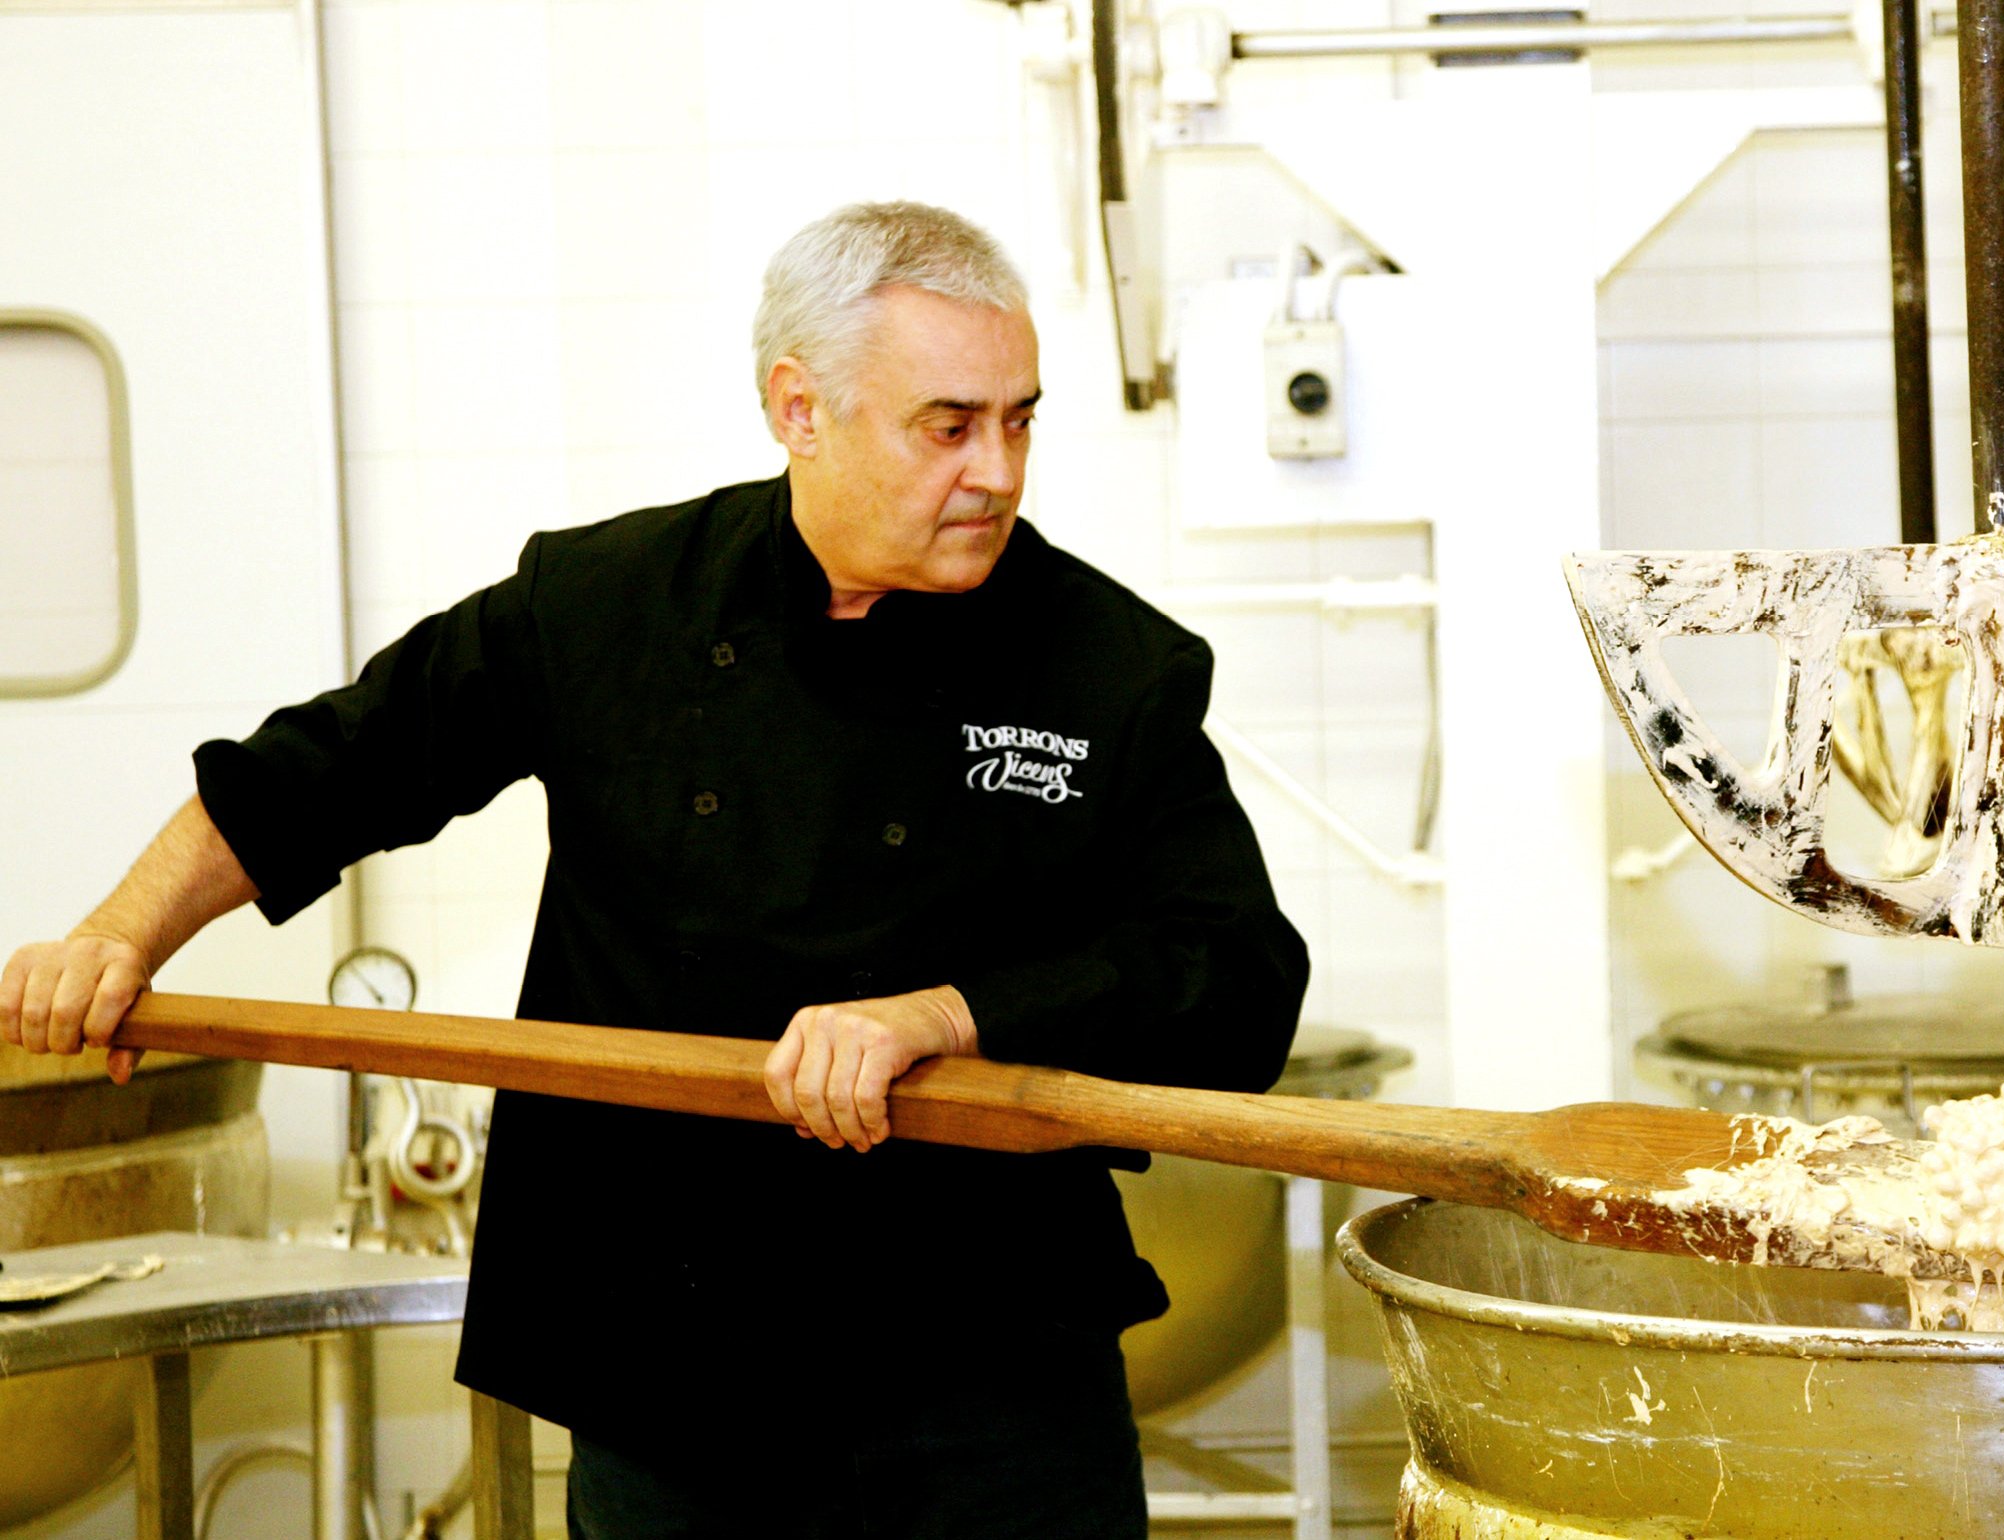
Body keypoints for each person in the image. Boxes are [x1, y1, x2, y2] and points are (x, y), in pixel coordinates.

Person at [0, 201, 1311, 1538]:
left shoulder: (1107, 665)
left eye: (1019, 419)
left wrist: (950, 1016)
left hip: (988, 1372)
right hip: (672, 1363)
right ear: (797, 409)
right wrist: (118, 935)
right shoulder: (611, 603)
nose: (997, 471)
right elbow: (327, 772)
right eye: (949, 424)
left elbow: (1236, 982)